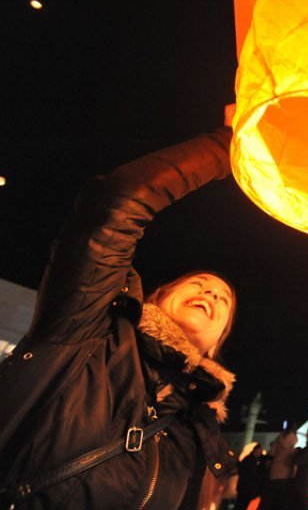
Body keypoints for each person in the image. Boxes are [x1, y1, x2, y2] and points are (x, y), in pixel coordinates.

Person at [0, 125, 238, 508]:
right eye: (198, 283)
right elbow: (116, 204)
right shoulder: (89, 331)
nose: (211, 292)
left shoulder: (196, 435)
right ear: (160, 298)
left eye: (222, 299)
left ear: (214, 347)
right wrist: (233, 144)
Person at [236, 444, 268, 510]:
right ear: (254, 451)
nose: (259, 454)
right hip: (245, 487)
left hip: (252, 488)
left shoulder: (260, 461)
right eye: (258, 452)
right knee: (241, 504)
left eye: (260, 452)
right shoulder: (248, 460)